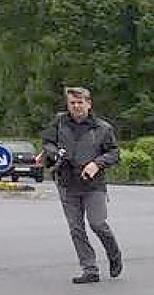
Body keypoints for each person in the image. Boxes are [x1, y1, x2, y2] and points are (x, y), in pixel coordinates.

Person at [39, 86, 123, 284]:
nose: (76, 106)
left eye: (80, 103)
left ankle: (114, 254)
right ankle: (89, 268)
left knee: (98, 223)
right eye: (72, 103)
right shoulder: (59, 122)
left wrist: (97, 163)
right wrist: (53, 153)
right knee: (76, 228)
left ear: (88, 104)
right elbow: (47, 142)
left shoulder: (103, 128)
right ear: (68, 105)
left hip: (93, 184)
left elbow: (114, 153)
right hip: (67, 182)